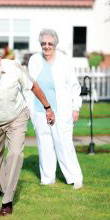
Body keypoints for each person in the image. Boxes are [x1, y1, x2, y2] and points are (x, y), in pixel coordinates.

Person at [0, 45, 55, 216]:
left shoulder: (13, 67)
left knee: (15, 154)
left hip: (17, 117)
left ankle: (7, 201)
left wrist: (47, 107)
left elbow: (33, 86)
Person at [28, 28, 83, 189]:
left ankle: (74, 177)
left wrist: (76, 107)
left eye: (50, 43)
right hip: (39, 110)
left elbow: (74, 86)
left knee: (64, 145)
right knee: (44, 145)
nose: (46, 47)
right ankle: (47, 178)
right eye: (43, 43)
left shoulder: (64, 61)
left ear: (55, 44)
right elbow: (29, 85)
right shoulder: (34, 60)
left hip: (61, 111)